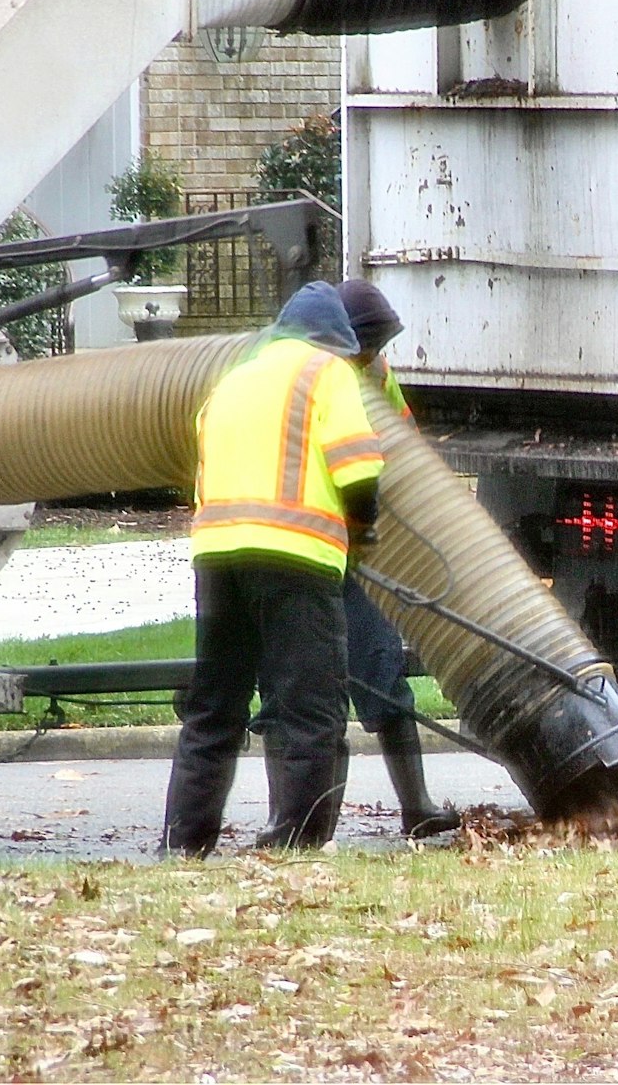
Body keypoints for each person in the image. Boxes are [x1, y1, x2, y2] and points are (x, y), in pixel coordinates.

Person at [161, 281, 385, 857]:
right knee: (310, 708)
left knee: (215, 707)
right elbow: (358, 468)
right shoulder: (326, 372)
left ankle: (182, 845)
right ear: (334, 338)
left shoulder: (234, 379)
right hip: (296, 558)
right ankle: (299, 842)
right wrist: (363, 528)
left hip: (217, 557)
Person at [334, 279, 462, 838]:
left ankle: (416, 806)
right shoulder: (317, 376)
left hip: (358, 549)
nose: (374, 357)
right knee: (304, 691)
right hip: (311, 545)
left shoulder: (376, 374)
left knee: (381, 671)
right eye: (368, 346)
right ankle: (302, 822)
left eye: (380, 347)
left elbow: (404, 449)